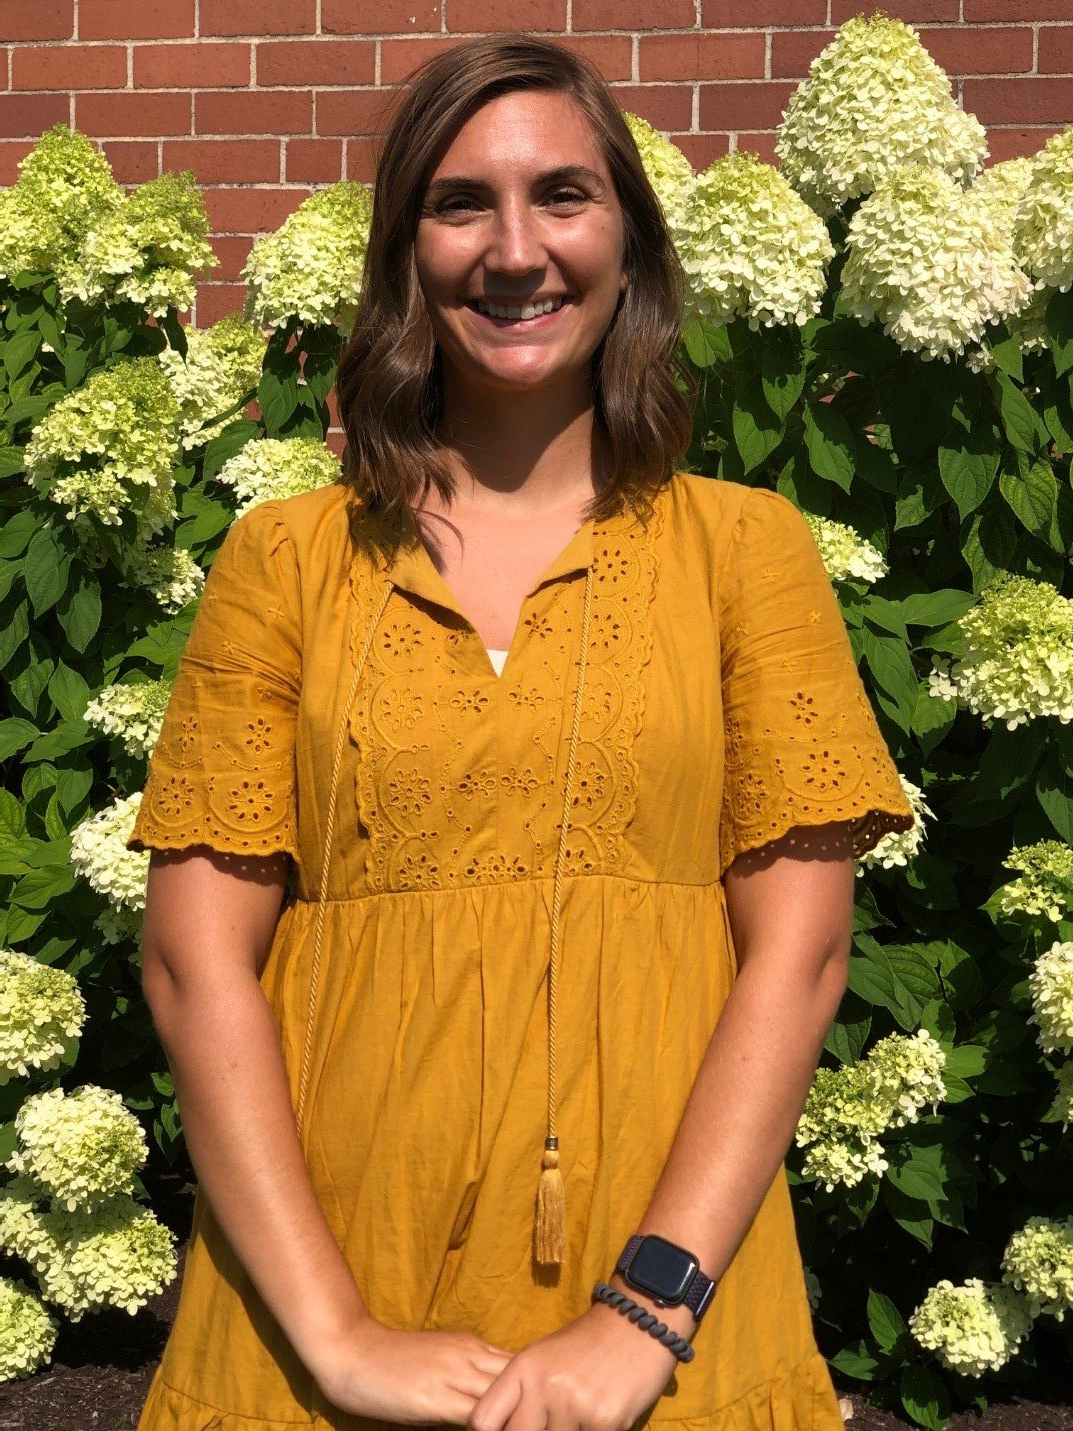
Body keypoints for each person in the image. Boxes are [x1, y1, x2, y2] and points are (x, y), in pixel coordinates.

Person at [126, 31, 916, 1431]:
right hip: (323, 1296)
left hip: (669, 1319)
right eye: (458, 202)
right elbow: (197, 963)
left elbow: (799, 954)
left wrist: (645, 1311)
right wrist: (338, 1332)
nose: (513, 251)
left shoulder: (747, 553)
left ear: (629, 238)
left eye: (562, 195)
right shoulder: (287, 561)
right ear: (405, 253)